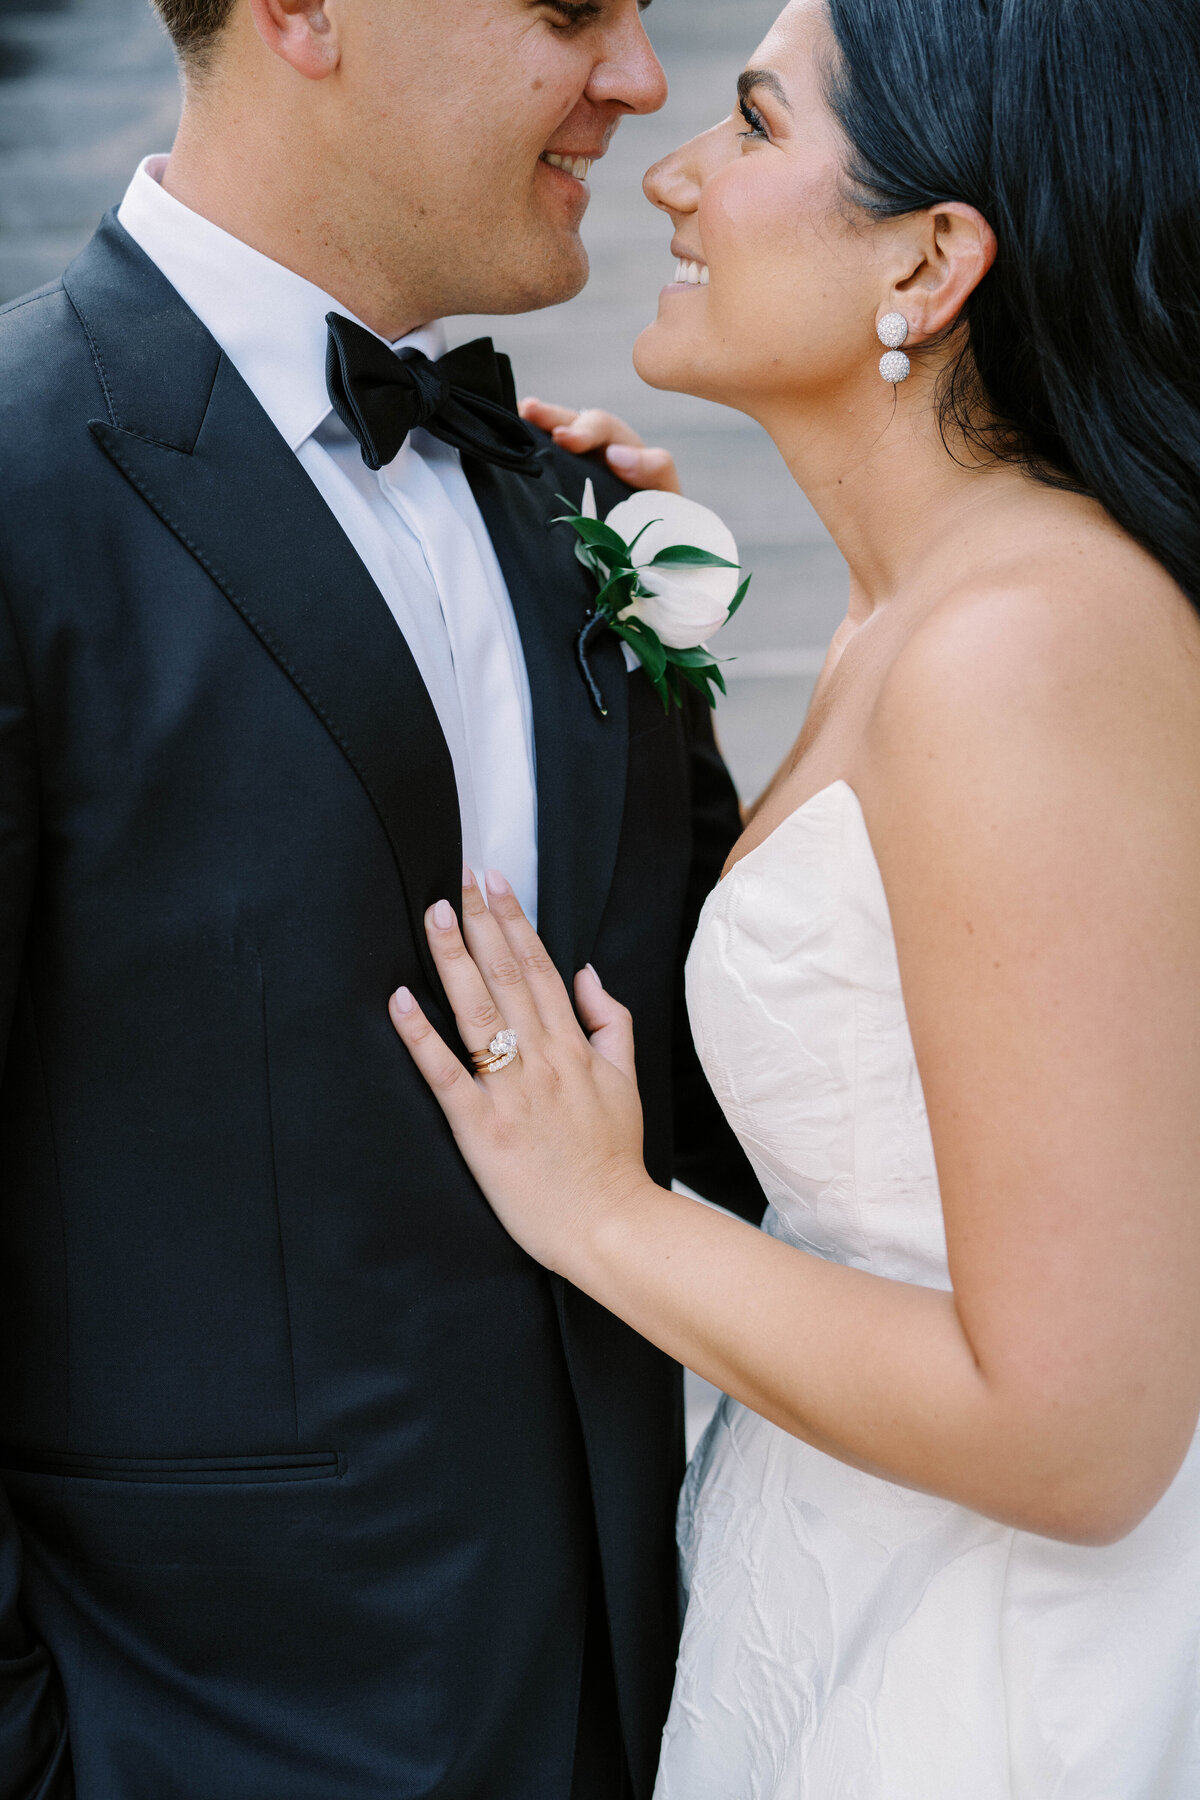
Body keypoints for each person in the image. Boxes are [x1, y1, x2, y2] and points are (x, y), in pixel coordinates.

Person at [390, 0, 1200, 1793]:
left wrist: (605, 1218)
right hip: (848, 1606)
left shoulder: (1022, 644)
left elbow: (1082, 1432)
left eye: (754, 126)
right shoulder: (923, 615)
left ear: (929, 260)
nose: (669, 173)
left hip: (996, 1677)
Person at [0, 2, 766, 1796]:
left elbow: (732, 1113)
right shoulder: (20, 492)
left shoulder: (572, 506)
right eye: (570, 9)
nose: (640, 78)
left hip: (649, 1721)